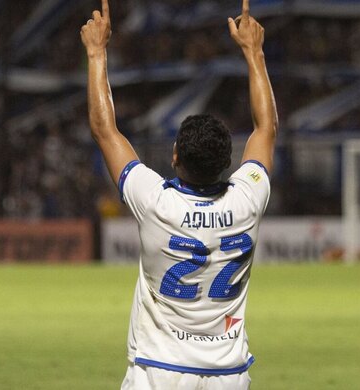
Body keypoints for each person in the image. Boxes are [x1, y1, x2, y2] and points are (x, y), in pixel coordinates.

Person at [81, 0, 277, 388]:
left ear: (174, 158)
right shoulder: (248, 201)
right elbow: (266, 128)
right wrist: (253, 51)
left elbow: (106, 131)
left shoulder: (156, 203)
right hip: (228, 375)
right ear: (229, 163)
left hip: (159, 371)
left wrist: (96, 52)